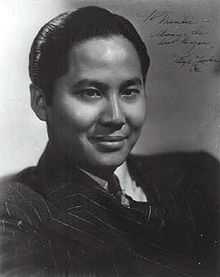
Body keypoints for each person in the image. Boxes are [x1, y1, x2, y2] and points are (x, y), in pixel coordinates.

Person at [0, 5, 219, 277]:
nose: (116, 117)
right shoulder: (15, 214)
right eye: (91, 92)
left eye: (129, 91)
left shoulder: (202, 175)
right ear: (41, 102)